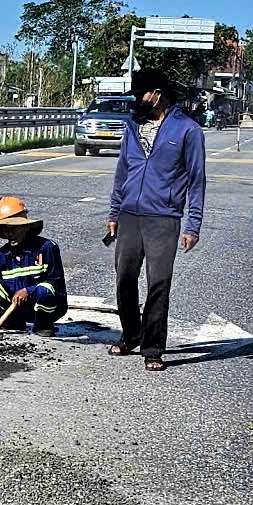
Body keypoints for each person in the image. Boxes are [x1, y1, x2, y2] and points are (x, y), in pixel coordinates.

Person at [107, 67, 207, 372]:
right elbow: (122, 170)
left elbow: (197, 179)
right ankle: (131, 334)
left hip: (163, 217)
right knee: (124, 277)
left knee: (158, 283)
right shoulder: (132, 126)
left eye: (142, 94)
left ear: (158, 95)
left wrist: (193, 225)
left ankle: (152, 348)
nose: (139, 99)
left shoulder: (188, 131)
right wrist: (113, 212)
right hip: (129, 215)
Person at [0, 196, 68, 336]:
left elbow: (56, 282)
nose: (10, 234)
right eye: (6, 229)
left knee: (45, 289)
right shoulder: (2, 256)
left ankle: (43, 325)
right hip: (16, 307)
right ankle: (12, 322)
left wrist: (28, 291)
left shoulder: (47, 248)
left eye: (14, 228)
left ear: (26, 226)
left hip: (47, 308)